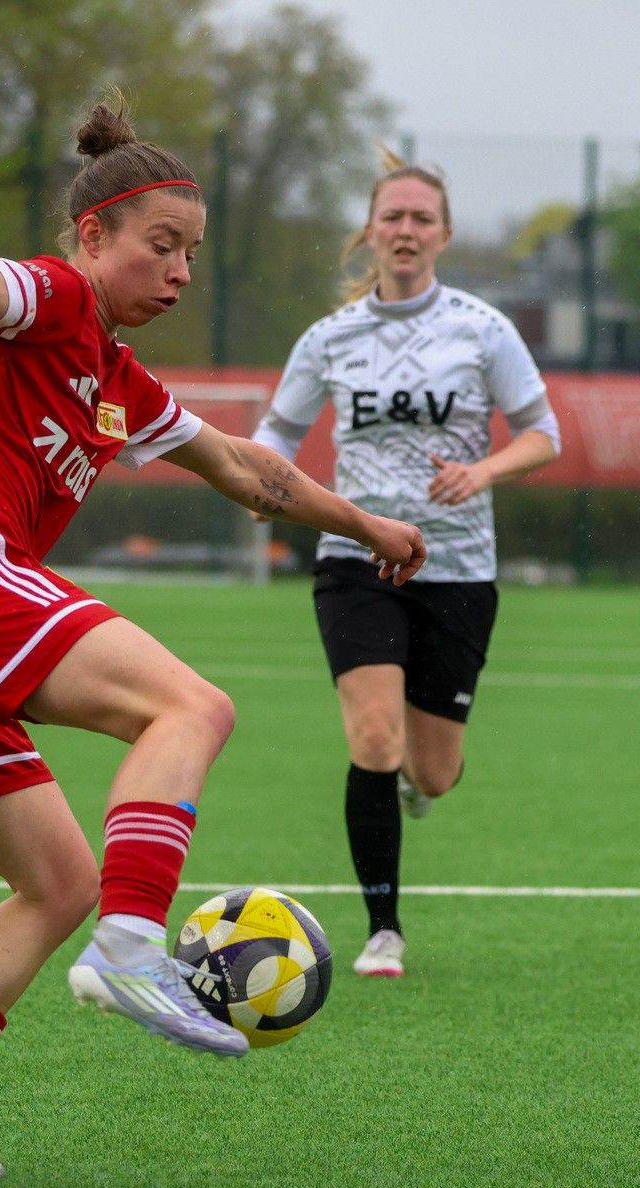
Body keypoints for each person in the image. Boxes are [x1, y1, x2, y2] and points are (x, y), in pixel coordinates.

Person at [0, 98, 426, 1181]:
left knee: (56, 881)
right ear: (93, 236)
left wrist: (367, 523)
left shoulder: (115, 379)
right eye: (162, 246)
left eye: (192, 254)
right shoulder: (53, 299)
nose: (180, 272)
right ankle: (134, 946)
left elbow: (250, 469)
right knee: (191, 707)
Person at [250, 156, 560, 979]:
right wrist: (263, 484)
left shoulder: (483, 328)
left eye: (422, 219)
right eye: (393, 217)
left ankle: (418, 786)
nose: (407, 231)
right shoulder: (329, 337)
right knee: (374, 735)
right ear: (370, 231)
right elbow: (276, 434)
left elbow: (542, 431)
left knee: (434, 770)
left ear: (444, 235)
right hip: (358, 557)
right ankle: (382, 927)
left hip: (458, 569)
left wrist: (484, 471)